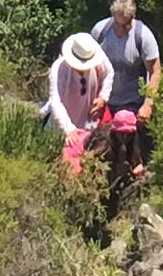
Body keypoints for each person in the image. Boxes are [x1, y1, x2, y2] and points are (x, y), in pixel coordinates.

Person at [91, 0, 162, 190]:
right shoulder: (100, 32)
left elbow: (155, 71)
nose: (121, 29)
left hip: (133, 103)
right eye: (117, 23)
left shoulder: (142, 35)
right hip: (106, 102)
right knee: (104, 152)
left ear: (133, 18)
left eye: (126, 24)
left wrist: (148, 104)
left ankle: (135, 193)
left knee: (134, 155)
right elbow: (88, 67)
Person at [41, 30, 111, 177]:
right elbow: (56, 101)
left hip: (86, 125)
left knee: (82, 169)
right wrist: (68, 128)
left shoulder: (96, 57)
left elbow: (109, 73)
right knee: (54, 168)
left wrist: (103, 97)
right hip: (59, 129)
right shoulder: (59, 69)